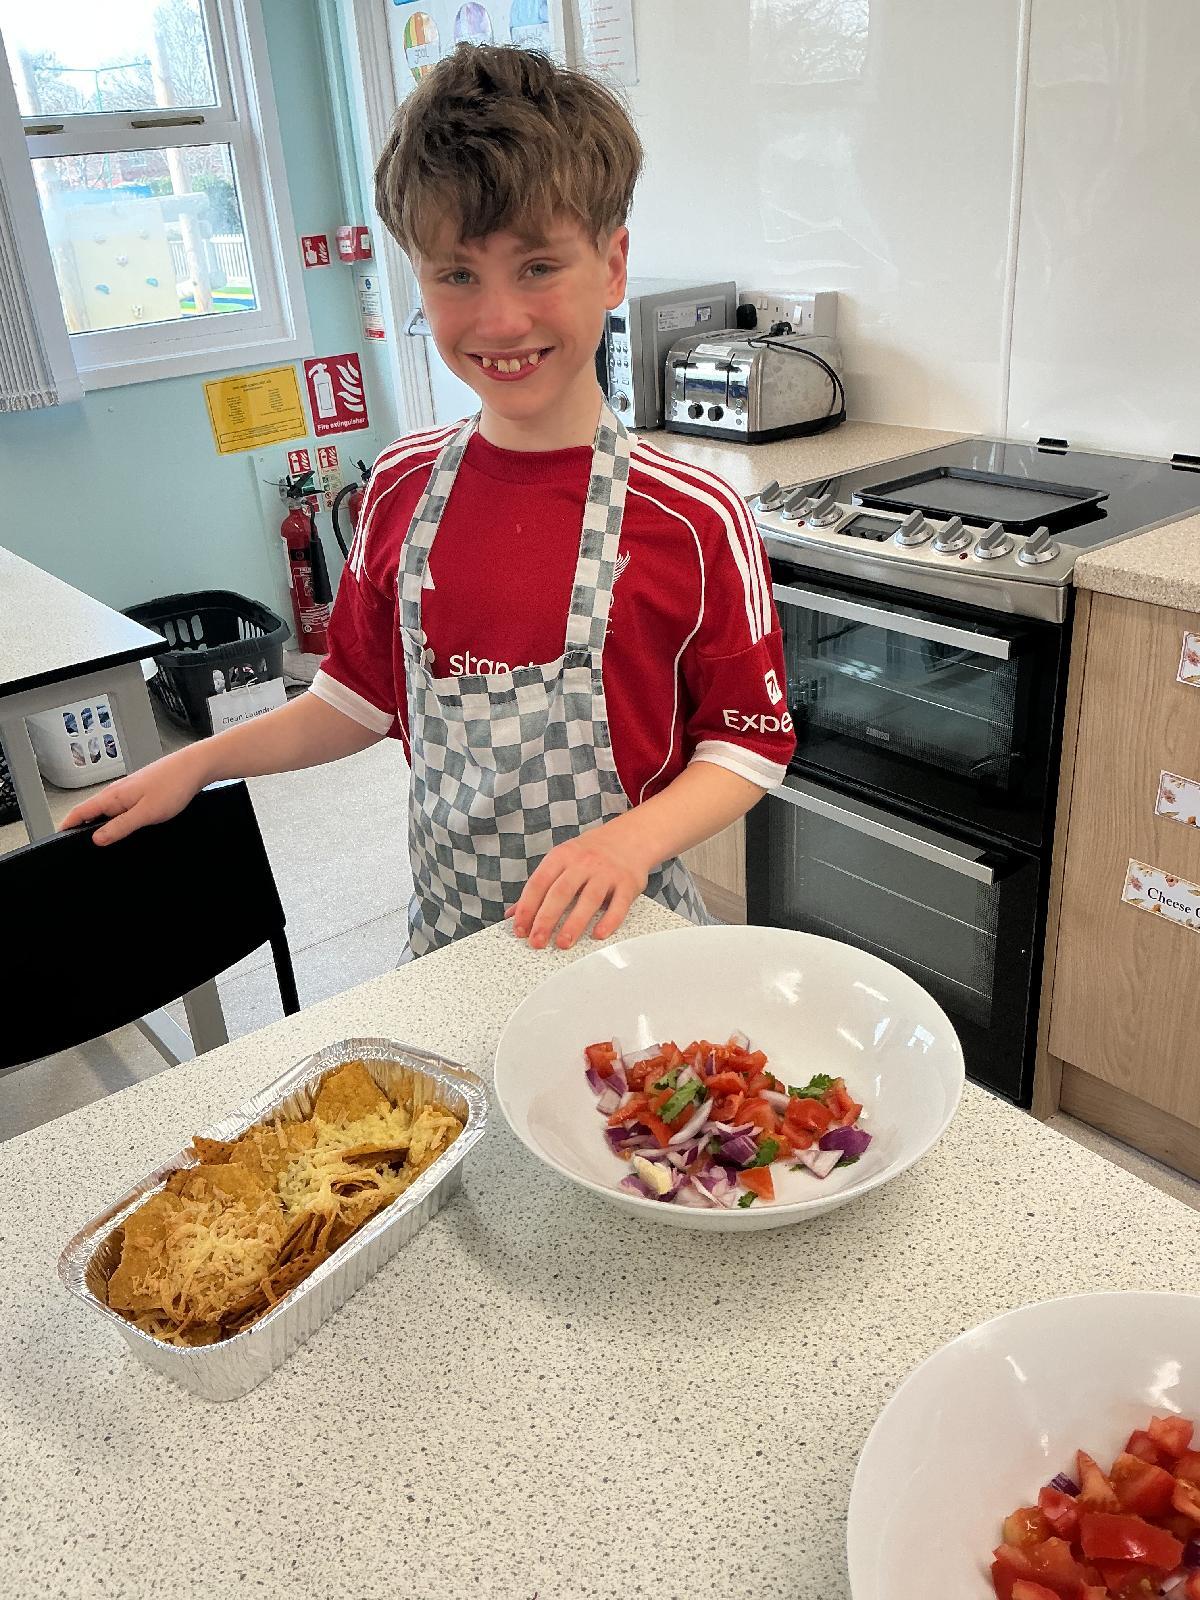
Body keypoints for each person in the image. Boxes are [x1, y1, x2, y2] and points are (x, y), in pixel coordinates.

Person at [65, 44, 796, 958]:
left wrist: (630, 841)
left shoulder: (693, 517)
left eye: (538, 266)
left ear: (613, 266)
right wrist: (199, 763)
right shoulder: (402, 486)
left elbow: (748, 742)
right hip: (448, 943)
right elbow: (357, 700)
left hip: (631, 943)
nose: (499, 319)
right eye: (456, 275)